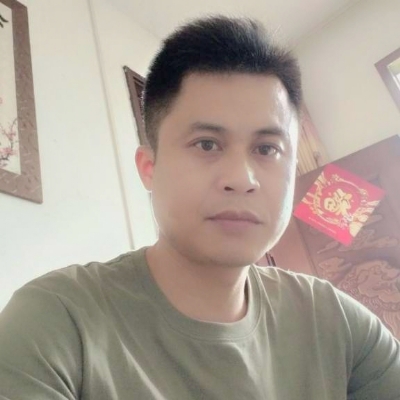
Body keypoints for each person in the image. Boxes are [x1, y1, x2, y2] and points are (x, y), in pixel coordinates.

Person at [0, 15, 399, 400]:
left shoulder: (336, 320)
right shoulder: (57, 321)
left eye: (267, 149)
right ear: (149, 168)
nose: (241, 178)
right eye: (207, 144)